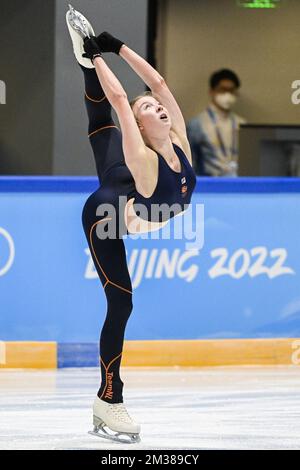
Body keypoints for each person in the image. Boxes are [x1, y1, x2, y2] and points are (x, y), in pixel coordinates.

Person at [66, 5, 196, 444]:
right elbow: (121, 101)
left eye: (158, 107)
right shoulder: (142, 157)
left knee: (108, 158)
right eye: (150, 109)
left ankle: (87, 62)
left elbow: (156, 83)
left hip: (131, 196)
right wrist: (95, 57)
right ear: (139, 125)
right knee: (122, 304)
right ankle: (109, 397)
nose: (158, 107)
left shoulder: (178, 139)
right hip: (108, 215)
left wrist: (116, 44)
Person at [187, 69, 246, 177]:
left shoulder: (242, 124)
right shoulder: (197, 124)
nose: (227, 95)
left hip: (238, 182)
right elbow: (190, 161)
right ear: (212, 91)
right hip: (208, 184)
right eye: (222, 90)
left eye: (231, 90)